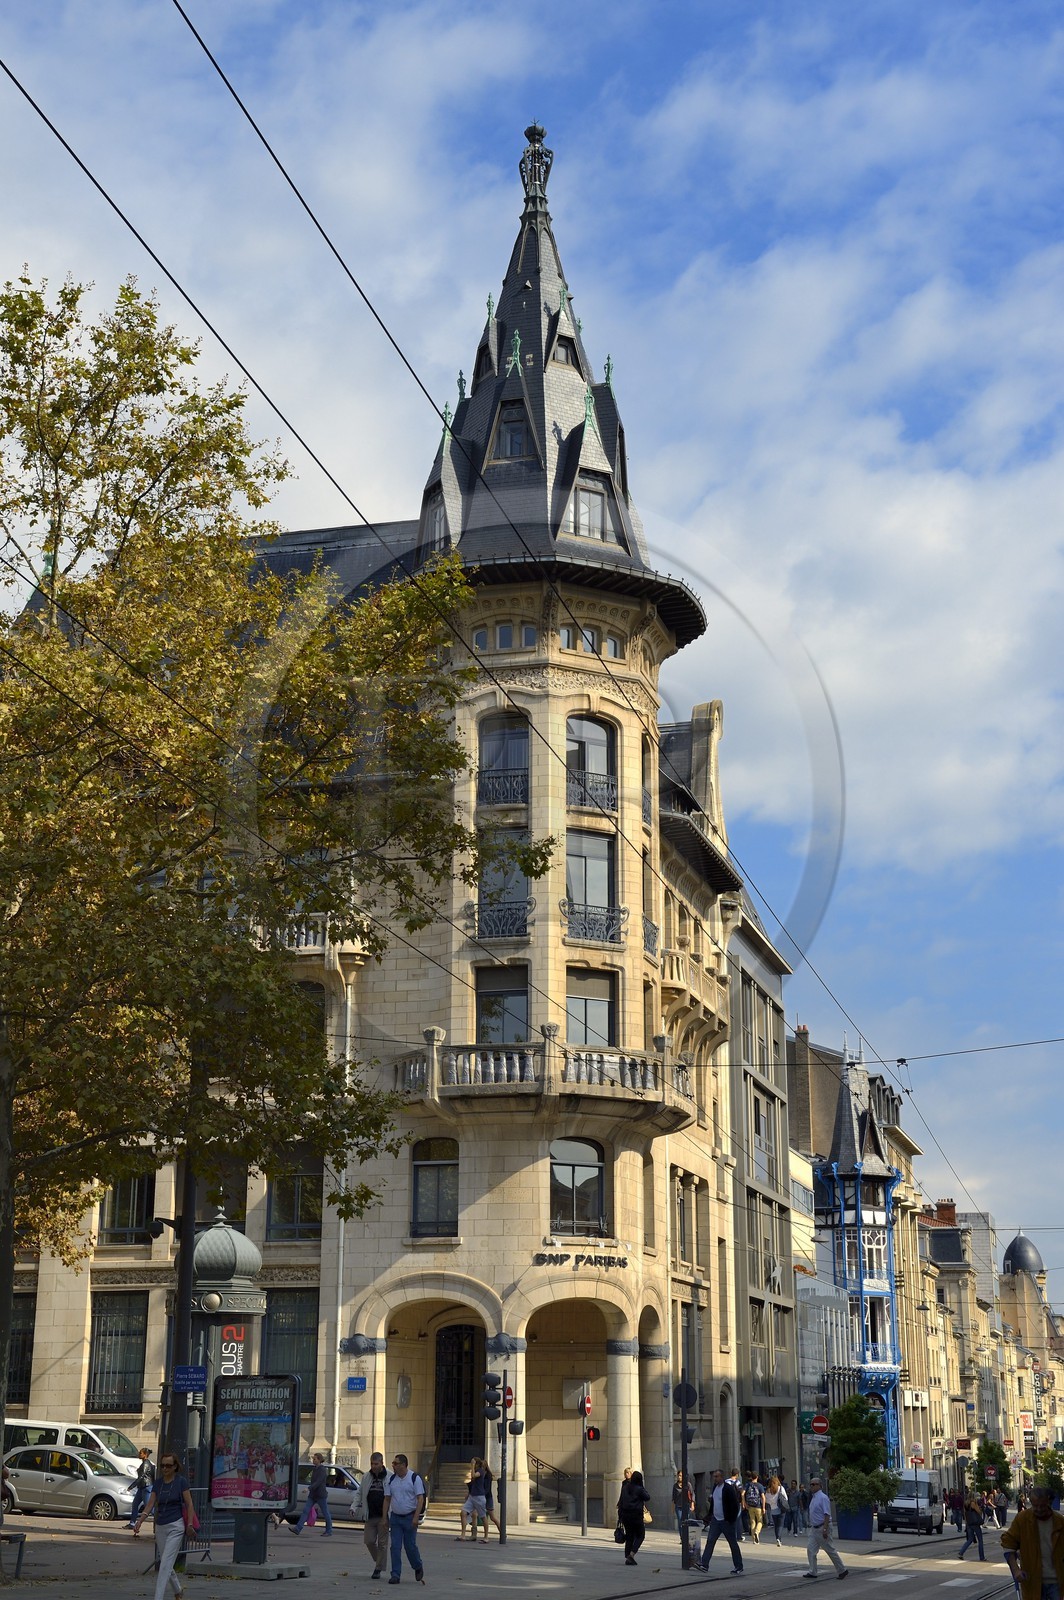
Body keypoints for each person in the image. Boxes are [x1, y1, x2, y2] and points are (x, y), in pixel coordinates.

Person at [134, 1449, 195, 1600]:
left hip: (176, 1526)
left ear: (175, 1467)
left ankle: (158, 1597)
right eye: (162, 1466)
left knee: (165, 1565)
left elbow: (189, 1504)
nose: (165, 1469)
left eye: (168, 1466)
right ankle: (178, 1590)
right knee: (166, 1563)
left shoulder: (181, 1482)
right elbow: (150, 1504)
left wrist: (190, 1524)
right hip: (161, 1526)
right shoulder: (158, 1483)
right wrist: (140, 1520)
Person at [1001, 1484, 1064, 1600]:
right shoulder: (1022, 1519)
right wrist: (1015, 1570)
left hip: (1056, 1582)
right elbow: (1008, 1543)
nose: (1039, 1509)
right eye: (1035, 1506)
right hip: (1032, 1581)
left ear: (1048, 1502)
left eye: (1042, 1506)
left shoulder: (1059, 1521)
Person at [383, 1452, 426, 1586]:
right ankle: (395, 1574)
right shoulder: (391, 1480)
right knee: (395, 1547)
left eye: (395, 1463)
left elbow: (420, 1499)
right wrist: (384, 1517)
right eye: (393, 1463)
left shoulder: (414, 1478)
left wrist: (416, 1517)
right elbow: (387, 1499)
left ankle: (417, 1565)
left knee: (410, 1546)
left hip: (409, 1517)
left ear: (403, 1465)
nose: (393, 1465)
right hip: (396, 1518)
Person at [803, 1474, 848, 1581]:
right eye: (810, 1484)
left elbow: (827, 1514)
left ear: (820, 1485)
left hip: (822, 1527)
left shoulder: (823, 1498)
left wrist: (825, 1529)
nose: (811, 1486)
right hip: (814, 1529)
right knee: (811, 1549)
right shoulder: (814, 1497)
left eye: (814, 1484)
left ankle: (842, 1570)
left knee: (830, 1549)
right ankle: (813, 1571)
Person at [699, 1467, 744, 1575]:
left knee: (732, 1543)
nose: (715, 1478)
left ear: (722, 1477)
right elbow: (714, 1504)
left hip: (726, 1521)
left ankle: (738, 1566)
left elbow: (735, 1505)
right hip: (716, 1520)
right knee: (710, 1541)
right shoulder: (715, 1488)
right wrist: (709, 1517)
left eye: (717, 1476)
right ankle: (704, 1564)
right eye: (714, 1476)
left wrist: (731, 1519)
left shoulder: (728, 1489)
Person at [354, 1451, 390, 1580]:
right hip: (370, 1514)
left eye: (376, 1464)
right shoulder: (366, 1476)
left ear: (382, 1463)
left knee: (382, 1544)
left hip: (383, 1516)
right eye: (372, 1464)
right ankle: (379, 1560)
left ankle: (378, 1568)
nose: (374, 1466)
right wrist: (353, 1506)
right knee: (369, 1541)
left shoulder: (389, 1476)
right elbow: (360, 1493)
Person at [290, 1452, 333, 1536]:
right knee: (305, 1510)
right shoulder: (315, 1469)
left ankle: (329, 1531)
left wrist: (308, 1488)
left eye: (314, 1459)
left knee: (325, 1512)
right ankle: (298, 1528)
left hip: (320, 1495)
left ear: (319, 1460)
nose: (313, 1460)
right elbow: (313, 1481)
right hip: (313, 1495)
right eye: (313, 1458)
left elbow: (318, 1482)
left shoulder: (322, 1470)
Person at [617, 1468, 651, 1566]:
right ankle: (631, 1554)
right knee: (641, 1535)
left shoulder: (625, 1487)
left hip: (625, 1515)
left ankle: (628, 1555)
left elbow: (621, 1501)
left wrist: (620, 1516)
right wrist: (642, 1486)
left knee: (629, 1535)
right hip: (636, 1515)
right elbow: (647, 1497)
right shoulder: (639, 1489)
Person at [457, 1457, 488, 1542]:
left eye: (474, 1463)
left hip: (479, 1497)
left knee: (483, 1517)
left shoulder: (481, 1471)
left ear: (477, 1464)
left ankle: (486, 1537)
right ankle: (463, 1535)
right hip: (472, 1496)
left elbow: (474, 1476)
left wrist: (472, 1465)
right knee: (463, 1512)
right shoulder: (475, 1470)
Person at [128, 1447, 155, 1529]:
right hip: (142, 1487)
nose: (139, 1454)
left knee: (149, 1507)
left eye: (140, 1453)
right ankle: (132, 1523)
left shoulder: (146, 1464)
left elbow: (141, 1477)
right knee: (135, 1504)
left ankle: (161, 1520)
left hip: (146, 1487)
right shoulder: (144, 1463)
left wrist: (132, 1486)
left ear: (145, 1455)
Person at [957, 1491, 986, 1560]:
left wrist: (966, 1523)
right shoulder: (973, 1503)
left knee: (970, 1540)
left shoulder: (965, 1503)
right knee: (980, 1540)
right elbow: (979, 1511)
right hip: (975, 1523)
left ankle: (961, 1553)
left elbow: (965, 1514)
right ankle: (982, 1557)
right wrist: (980, 1509)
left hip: (969, 1523)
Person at [481, 1460, 502, 1541]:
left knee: (492, 1517)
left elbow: (487, 1488)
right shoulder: (481, 1474)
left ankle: (502, 1532)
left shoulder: (488, 1475)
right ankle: (475, 1534)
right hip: (483, 1496)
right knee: (475, 1515)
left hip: (487, 1497)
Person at [765, 1474, 789, 1545]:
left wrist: (772, 1502)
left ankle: (777, 1539)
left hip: (773, 1510)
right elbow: (786, 1498)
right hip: (781, 1508)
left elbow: (767, 1500)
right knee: (780, 1525)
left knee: (776, 1525)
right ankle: (779, 1538)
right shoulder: (780, 1488)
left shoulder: (768, 1490)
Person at [672, 1468, 694, 1535]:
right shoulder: (675, 1486)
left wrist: (692, 1504)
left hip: (686, 1506)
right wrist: (672, 1507)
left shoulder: (688, 1484)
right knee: (680, 1522)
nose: (679, 1477)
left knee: (685, 1521)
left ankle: (686, 1536)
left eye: (681, 1476)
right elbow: (673, 1497)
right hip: (678, 1506)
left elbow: (692, 1494)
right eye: (678, 1475)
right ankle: (682, 1536)